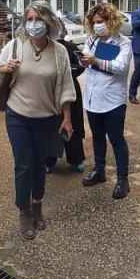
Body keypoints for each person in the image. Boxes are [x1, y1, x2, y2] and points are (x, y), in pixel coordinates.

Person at [0, 1, 76, 239]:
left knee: (40, 164)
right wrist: (4, 69)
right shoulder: (16, 45)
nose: (34, 24)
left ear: (48, 22)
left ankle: (37, 205)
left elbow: (66, 87)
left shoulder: (59, 52)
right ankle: (24, 210)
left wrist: (67, 118)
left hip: (47, 118)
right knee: (23, 164)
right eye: (29, 19)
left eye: (38, 19)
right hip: (17, 115)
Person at [80, 2, 134, 199]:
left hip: (113, 101)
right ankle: (99, 171)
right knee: (97, 137)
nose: (97, 25)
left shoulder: (123, 43)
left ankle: (122, 179)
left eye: (101, 21)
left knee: (116, 139)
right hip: (92, 99)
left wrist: (95, 61)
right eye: (94, 22)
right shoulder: (91, 40)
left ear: (111, 21)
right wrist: (83, 61)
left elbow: (120, 67)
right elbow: (86, 61)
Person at [45, 21, 87, 175]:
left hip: (71, 90)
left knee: (73, 124)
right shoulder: (45, 49)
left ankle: (76, 159)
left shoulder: (70, 47)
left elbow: (81, 64)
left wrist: (68, 74)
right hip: (50, 92)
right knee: (51, 127)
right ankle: (49, 161)